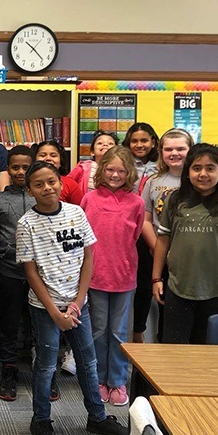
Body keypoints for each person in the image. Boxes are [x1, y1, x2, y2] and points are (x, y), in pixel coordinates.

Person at [16, 161, 127, 435]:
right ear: (30, 190)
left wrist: (78, 302)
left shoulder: (76, 213)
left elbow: (88, 257)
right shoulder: (26, 223)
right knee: (45, 364)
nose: (47, 188)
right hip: (45, 308)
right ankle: (41, 420)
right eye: (38, 184)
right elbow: (30, 272)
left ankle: (97, 417)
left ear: (61, 183)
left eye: (51, 181)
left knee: (88, 362)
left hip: (79, 304)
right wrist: (55, 312)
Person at [152, 143, 218, 344]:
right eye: (197, 168)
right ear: (187, 173)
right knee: (173, 350)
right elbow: (163, 241)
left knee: (207, 351)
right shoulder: (174, 201)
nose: (203, 174)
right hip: (179, 288)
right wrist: (156, 279)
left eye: (210, 168)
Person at [81, 146, 144, 407]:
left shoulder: (136, 203)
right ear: (101, 169)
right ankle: (96, 378)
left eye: (121, 170)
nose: (115, 175)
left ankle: (117, 380)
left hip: (124, 276)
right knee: (97, 330)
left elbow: (135, 235)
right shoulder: (90, 199)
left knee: (118, 332)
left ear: (129, 172)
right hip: (95, 276)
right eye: (110, 169)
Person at [136, 128, 193, 343]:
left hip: (188, 256)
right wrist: (157, 248)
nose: (174, 153)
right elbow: (145, 219)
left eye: (181, 148)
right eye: (168, 149)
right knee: (163, 307)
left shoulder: (197, 180)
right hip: (158, 253)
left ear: (191, 150)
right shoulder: (153, 181)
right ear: (161, 151)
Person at [0, 145, 36, 402]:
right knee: (8, 325)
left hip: (39, 275)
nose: (20, 172)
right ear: (7, 169)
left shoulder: (42, 196)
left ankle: (43, 371)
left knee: (38, 325)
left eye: (25, 167)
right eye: (15, 167)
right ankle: (8, 369)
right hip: (8, 272)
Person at [33, 140, 81, 380]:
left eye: (53, 154)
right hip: (43, 266)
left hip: (69, 262)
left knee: (83, 348)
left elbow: (84, 242)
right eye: (43, 154)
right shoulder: (29, 219)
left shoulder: (72, 191)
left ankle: (69, 354)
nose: (48, 158)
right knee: (45, 338)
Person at [121, 123, 159, 347]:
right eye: (134, 141)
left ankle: (139, 330)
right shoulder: (124, 163)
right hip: (127, 226)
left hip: (152, 228)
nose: (139, 145)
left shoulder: (160, 165)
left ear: (153, 141)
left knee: (146, 280)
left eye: (144, 140)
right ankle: (122, 329)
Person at [68, 130, 119, 196]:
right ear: (92, 152)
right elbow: (68, 184)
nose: (105, 144)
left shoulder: (121, 169)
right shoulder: (83, 168)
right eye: (100, 143)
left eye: (110, 143)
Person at [33, 140, 83, 205]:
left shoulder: (71, 185)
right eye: (42, 155)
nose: (48, 158)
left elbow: (79, 210)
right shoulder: (31, 183)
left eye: (53, 155)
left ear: (60, 162)